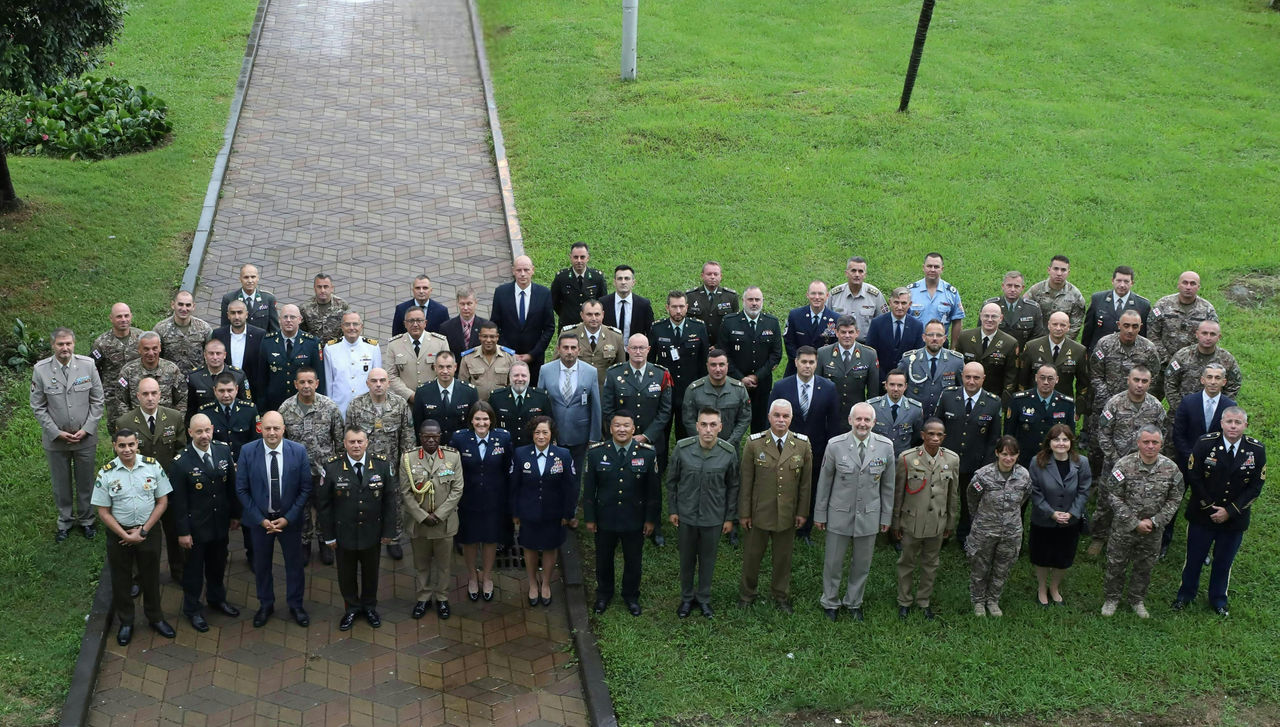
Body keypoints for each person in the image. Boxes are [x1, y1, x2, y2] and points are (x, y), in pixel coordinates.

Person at [1173, 407, 1265, 617]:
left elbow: (1256, 486)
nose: (1233, 426)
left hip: (1234, 520)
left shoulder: (1256, 450)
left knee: (1223, 562)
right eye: (1229, 421)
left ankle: (1218, 600)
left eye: (1238, 422)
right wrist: (1209, 506)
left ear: (1245, 426)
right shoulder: (1205, 443)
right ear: (1222, 423)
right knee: (1194, 559)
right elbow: (1193, 476)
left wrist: (1230, 511)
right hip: (1202, 515)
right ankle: (1185, 596)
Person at [93, 429, 175, 646]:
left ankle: (155, 617)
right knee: (121, 579)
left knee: (151, 576)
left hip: (148, 531)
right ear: (114, 446)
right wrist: (124, 535)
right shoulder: (107, 473)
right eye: (122, 445)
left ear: (138, 444)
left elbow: (162, 502)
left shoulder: (152, 466)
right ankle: (126, 622)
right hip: (119, 534)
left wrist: (143, 531)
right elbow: (103, 511)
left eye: (131, 444)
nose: (127, 449)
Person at [813, 402, 893, 621]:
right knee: (833, 562)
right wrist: (820, 514)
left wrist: (886, 516)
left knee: (862, 564)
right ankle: (830, 601)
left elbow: (888, 486)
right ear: (850, 420)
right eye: (858, 419)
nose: (862, 424)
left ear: (874, 422)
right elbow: (825, 482)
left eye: (867, 420)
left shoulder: (885, 446)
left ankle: (854, 602)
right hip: (839, 513)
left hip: (869, 514)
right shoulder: (835, 445)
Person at [235, 411, 312, 628]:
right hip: (260, 523)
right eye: (267, 428)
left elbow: (305, 489)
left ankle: (296, 605)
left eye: (276, 428)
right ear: (260, 429)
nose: (272, 432)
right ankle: (265, 604)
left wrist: (288, 518)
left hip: (290, 521)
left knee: (294, 565)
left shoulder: (298, 451)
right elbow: (241, 489)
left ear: (284, 428)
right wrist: (260, 520)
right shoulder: (248, 451)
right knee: (262, 565)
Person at [738, 400, 813, 614]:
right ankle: (747, 594)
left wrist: (802, 512)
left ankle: (781, 595)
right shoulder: (754, 444)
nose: (781, 420)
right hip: (759, 512)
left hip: (787, 515)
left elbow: (805, 485)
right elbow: (746, 482)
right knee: (752, 557)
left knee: (782, 559)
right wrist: (744, 513)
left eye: (785, 416)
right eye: (777, 415)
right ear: (769, 417)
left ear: (791, 418)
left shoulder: (801, 444)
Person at [318, 427, 396, 630]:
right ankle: (351, 608)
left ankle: (369, 607)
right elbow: (324, 506)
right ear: (344, 444)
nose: (356, 446)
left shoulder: (381, 464)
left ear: (367, 443)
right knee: (346, 574)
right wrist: (328, 536)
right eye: (351, 442)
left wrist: (389, 532)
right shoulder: (332, 467)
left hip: (372, 532)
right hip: (344, 534)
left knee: (371, 573)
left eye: (360, 442)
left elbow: (390, 500)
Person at [169, 414, 241, 633]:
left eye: (207, 431)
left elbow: (231, 486)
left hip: (219, 524)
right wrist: (183, 532)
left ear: (212, 429)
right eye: (198, 432)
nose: (204, 436)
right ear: (190, 433)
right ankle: (192, 609)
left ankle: (217, 599)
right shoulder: (181, 462)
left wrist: (235, 515)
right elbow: (178, 502)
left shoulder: (222, 450)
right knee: (193, 571)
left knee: (218, 564)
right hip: (196, 528)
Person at [1101, 426, 1182, 618]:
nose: (1150, 446)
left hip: (1153, 531)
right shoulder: (1123, 465)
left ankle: (1137, 599)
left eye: (1155, 442)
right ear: (1138, 443)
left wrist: (1155, 521)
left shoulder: (1171, 469)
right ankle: (1111, 599)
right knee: (1115, 564)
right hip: (1124, 528)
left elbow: (1175, 498)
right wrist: (1134, 522)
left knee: (1144, 567)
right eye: (1146, 442)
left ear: (1161, 445)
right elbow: (1113, 495)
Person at [31, 328, 104, 541]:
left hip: (85, 437)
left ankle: (87, 520)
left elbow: (97, 400)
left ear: (74, 344)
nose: (65, 348)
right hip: (56, 440)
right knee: (61, 483)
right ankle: (64, 521)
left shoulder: (88, 365)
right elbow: (38, 406)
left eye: (68, 344)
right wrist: (56, 432)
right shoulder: (41, 370)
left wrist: (87, 428)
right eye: (60, 344)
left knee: (86, 481)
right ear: (53, 346)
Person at [583, 411, 660, 616]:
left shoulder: (647, 453)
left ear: (634, 429)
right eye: (617, 425)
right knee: (603, 559)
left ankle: (631, 595)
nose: (622, 429)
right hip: (605, 518)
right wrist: (590, 518)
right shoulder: (596, 453)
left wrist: (651, 520)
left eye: (626, 425)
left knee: (633, 560)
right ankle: (604, 594)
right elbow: (589, 490)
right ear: (610, 429)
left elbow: (653, 492)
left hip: (634, 519)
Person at [668, 408, 739, 618]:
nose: (708, 430)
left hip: (713, 517)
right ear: (697, 426)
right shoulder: (682, 448)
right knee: (687, 559)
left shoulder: (728, 453)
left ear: (720, 427)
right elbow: (672, 482)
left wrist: (729, 517)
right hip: (687, 515)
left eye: (713, 425)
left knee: (708, 560)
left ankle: (704, 598)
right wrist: (673, 510)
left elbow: (733, 486)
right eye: (704, 424)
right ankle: (687, 598)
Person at [117, 377, 187, 580]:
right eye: (145, 394)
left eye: (154, 393)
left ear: (160, 394)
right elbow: (123, 457)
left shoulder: (174, 417)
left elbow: (181, 450)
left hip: (169, 487)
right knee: (142, 533)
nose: (150, 398)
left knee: (173, 531)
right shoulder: (126, 422)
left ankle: (179, 571)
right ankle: (142, 576)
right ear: (137, 396)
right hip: (141, 491)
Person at [770, 346, 840, 544]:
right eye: (804, 362)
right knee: (785, 486)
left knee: (809, 489)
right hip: (786, 449)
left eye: (811, 362)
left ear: (816, 364)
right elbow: (772, 420)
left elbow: (833, 422)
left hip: (816, 450)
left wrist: (829, 450)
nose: (807, 366)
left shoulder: (828, 387)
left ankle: (804, 530)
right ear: (796, 363)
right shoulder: (781, 387)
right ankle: (782, 524)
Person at [892, 418, 960, 620]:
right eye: (931, 434)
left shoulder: (951, 460)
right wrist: (896, 522)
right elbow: (898, 494)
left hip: (937, 523)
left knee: (931, 563)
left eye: (940, 435)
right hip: (912, 521)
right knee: (906, 562)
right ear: (923, 435)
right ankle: (904, 600)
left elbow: (952, 495)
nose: (935, 438)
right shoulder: (907, 458)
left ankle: (923, 601)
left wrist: (950, 522)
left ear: (944, 437)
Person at [278, 366, 345, 566]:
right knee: (302, 510)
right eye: (302, 382)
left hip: (324, 470)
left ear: (317, 383)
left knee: (325, 508)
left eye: (310, 382)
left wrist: (339, 468)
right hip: (297, 471)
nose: (306, 386)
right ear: (295, 384)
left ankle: (325, 542)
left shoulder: (329, 407)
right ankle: (304, 543)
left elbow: (340, 440)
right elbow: (282, 441)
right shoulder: (286, 408)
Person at [509, 416, 578, 607]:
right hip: (528, 512)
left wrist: (568, 514)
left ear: (551, 434)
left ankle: (546, 583)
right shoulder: (521, 454)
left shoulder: (563, 455)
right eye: (537, 432)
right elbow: (513, 486)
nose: (541, 436)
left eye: (545, 432)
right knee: (529, 548)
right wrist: (515, 512)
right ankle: (532, 583)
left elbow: (571, 487)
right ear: (532, 434)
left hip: (554, 514)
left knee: (550, 548)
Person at [346, 367, 415, 560]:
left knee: (393, 503)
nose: (378, 385)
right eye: (374, 381)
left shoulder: (400, 405)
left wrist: (406, 466)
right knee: (364, 503)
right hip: (364, 467)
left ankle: (393, 539)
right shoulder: (356, 405)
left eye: (382, 380)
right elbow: (349, 437)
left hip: (391, 466)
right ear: (367, 383)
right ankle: (366, 537)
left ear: (388, 383)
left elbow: (408, 438)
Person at [935, 363, 1003, 547]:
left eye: (976, 378)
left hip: (974, 463)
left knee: (969, 502)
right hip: (947, 461)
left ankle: (964, 535)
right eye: (968, 377)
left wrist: (987, 466)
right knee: (942, 499)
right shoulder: (948, 396)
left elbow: (994, 438)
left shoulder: (993, 402)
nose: (971, 381)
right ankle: (940, 534)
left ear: (983, 378)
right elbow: (936, 427)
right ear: (962, 376)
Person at [450, 402, 512, 603]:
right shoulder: (459, 438)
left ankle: (486, 576)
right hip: (468, 499)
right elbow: (453, 469)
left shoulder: (503, 438)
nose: (481, 423)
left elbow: (508, 468)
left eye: (485, 419)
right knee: (470, 539)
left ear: (491, 420)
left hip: (495, 499)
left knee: (490, 538)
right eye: (477, 418)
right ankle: (471, 576)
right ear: (471, 420)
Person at [402, 420, 465, 620]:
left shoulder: (452, 457)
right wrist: (422, 516)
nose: (431, 440)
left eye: (435, 436)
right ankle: (423, 597)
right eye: (426, 437)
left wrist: (439, 515)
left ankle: (442, 598)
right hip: (419, 524)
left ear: (440, 436)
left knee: (444, 564)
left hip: (444, 522)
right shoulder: (408, 458)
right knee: (421, 563)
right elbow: (405, 492)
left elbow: (457, 489)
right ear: (420, 437)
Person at [965, 436, 1031, 616]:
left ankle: (993, 600)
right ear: (997, 453)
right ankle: (978, 601)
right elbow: (972, 499)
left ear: (1018, 455)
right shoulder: (983, 476)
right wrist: (981, 518)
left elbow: (1024, 498)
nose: (1008, 458)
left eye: (1013, 454)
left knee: (1002, 568)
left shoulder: (1024, 476)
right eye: (1004, 454)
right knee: (980, 567)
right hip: (985, 530)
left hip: (1011, 532)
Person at [1027, 424, 1092, 606]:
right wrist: (1051, 513)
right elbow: (1034, 491)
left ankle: (1054, 588)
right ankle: (1041, 588)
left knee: (1063, 557)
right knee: (1041, 556)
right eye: (1056, 439)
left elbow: (1084, 490)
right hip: (1044, 520)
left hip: (1069, 522)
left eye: (1065, 439)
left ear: (1071, 442)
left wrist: (1072, 513)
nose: (1061, 443)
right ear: (1049, 442)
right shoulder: (1037, 461)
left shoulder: (1082, 463)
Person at [1088, 310, 1160, 472]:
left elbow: (1153, 376)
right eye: (1126, 325)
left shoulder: (1148, 348)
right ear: (1118, 325)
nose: (1130, 330)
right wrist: (1109, 400)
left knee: (1133, 441)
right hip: (1105, 402)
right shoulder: (1105, 344)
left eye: (1135, 326)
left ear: (1140, 327)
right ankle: (1094, 479)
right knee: (1097, 443)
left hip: (1136, 406)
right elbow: (1096, 374)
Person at [719, 286, 783, 432]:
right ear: (743, 301)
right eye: (750, 299)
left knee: (760, 428)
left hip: (762, 385)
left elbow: (776, 354)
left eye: (757, 300)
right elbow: (724, 354)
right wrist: (741, 378)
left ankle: (757, 455)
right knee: (731, 427)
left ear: (762, 301)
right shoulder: (729, 322)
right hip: (734, 384)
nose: (754, 303)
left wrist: (756, 377)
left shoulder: (771, 322)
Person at [538, 333, 603, 475]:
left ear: (579, 350)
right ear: (558, 349)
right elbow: (540, 403)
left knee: (576, 473)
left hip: (580, 434)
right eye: (565, 347)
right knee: (552, 473)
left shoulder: (591, 372)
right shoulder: (545, 370)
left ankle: (573, 497)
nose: (569, 351)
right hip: (553, 434)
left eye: (573, 348)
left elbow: (596, 406)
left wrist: (594, 436)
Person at [1147, 271, 1218, 397]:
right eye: (1185, 283)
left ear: (1198, 287)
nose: (1188, 287)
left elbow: (1211, 336)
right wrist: (1168, 359)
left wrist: (1192, 360)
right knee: (1150, 401)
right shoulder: (1163, 305)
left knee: (1189, 403)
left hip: (1192, 368)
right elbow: (1152, 334)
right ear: (1178, 285)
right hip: (1162, 365)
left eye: (1193, 283)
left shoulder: (1207, 310)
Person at [648, 291, 708, 439]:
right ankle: (661, 463)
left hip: (689, 391)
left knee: (686, 434)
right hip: (664, 391)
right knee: (661, 434)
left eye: (681, 306)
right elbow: (650, 362)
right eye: (674, 307)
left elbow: (704, 361)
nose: (678, 311)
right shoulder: (657, 329)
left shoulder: (698, 328)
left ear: (687, 307)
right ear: (667, 308)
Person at [491, 256, 557, 386]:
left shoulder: (544, 294)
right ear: (513, 271)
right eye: (519, 270)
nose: (522, 274)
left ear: (533, 270)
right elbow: (495, 325)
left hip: (534, 360)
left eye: (526, 270)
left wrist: (532, 354)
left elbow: (549, 328)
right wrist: (509, 353)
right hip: (507, 359)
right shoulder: (501, 293)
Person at [1163, 320, 1242, 417]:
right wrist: (1182, 408)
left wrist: (1220, 406)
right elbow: (1170, 383)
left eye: (1212, 334)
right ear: (1197, 334)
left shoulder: (1227, 359)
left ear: (1219, 337)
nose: (1208, 337)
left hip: (1213, 413)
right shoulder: (1182, 356)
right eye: (1204, 333)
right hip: (1183, 413)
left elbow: (1234, 385)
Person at [257, 304, 325, 413]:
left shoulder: (312, 343)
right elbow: (261, 379)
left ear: (300, 320)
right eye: (285, 317)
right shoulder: (267, 342)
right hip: (275, 404)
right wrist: (262, 409)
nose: (288, 320)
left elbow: (319, 377)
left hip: (303, 403)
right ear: (279, 319)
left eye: (292, 317)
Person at [816, 316, 880, 432]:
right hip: (830, 415)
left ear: (857, 333)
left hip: (858, 418)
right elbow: (817, 388)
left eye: (851, 332)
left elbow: (873, 392)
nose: (847, 336)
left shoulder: (869, 354)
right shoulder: (823, 353)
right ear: (836, 333)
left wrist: (869, 418)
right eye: (843, 332)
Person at [1005, 365, 1076, 468]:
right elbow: (1009, 434)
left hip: (1054, 460)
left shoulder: (1066, 404)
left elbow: (1071, 435)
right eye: (1042, 378)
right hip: (1024, 460)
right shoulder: (1019, 401)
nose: (1046, 382)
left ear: (1057, 380)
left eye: (1050, 378)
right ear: (1035, 378)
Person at [681, 348, 751, 452]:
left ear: (727, 365)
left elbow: (744, 419)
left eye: (721, 365)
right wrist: (704, 442)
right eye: (713, 365)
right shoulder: (694, 390)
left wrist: (730, 443)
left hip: (730, 448)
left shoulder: (739, 389)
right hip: (700, 449)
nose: (718, 369)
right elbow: (689, 420)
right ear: (707, 366)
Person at [111, 332, 187, 425]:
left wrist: (174, 423)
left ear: (160, 348)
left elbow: (182, 399)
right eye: (146, 349)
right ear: (139, 349)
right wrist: (130, 424)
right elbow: (121, 401)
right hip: (137, 425)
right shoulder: (128, 371)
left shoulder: (172, 370)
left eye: (155, 348)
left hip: (166, 425)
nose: (151, 353)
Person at [1016, 311, 1088, 401]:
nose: (1058, 328)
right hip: (1034, 402)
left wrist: (1078, 409)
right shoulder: (1032, 347)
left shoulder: (1078, 350)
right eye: (1055, 324)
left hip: (1063, 404)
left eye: (1063, 325)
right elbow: (1023, 379)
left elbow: (1083, 384)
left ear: (1068, 327)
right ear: (1048, 325)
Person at [954, 303, 1019, 401]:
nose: (989, 320)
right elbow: (957, 366)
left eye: (994, 316)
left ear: (1001, 318)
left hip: (993, 397)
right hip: (966, 394)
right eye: (986, 316)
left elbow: (1011, 376)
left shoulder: (1010, 343)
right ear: (980, 316)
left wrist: (1004, 402)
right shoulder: (965, 337)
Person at [901, 320, 964, 419]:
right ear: (924, 337)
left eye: (939, 335)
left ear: (944, 339)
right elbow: (899, 388)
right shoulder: (909, 360)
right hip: (914, 418)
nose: (935, 338)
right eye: (930, 335)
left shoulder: (956, 361)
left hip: (944, 418)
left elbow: (962, 391)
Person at [386, 306, 449, 404]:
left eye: (419, 320)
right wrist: (409, 395)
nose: (415, 324)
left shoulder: (440, 342)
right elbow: (391, 375)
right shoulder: (394, 344)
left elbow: (446, 371)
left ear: (425, 323)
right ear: (405, 324)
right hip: (405, 402)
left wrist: (430, 393)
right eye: (411, 321)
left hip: (434, 400)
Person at [412, 351, 478, 443]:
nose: (445, 371)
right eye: (441, 367)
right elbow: (418, 425)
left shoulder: (469, 392)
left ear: (455, 367)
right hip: (433, 447)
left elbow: (473, 424)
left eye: (449, 367)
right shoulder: (422, 392)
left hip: (461, 446)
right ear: (435, 367)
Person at [1079, 265, 1150, 351]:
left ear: (1132, 283)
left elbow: (1144, 335)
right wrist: (1085, 351)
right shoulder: (1098, 299)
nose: (1122, 285)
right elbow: (1088, 330)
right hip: (1099, 353)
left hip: (1128, 355)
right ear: (1112, 281)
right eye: (1119, 281)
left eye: (1126, 281)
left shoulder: (1142, 305)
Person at [323, 311, 381, 417]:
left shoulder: (372, 347)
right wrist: (330, 407)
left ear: (361, 326)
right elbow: (329, 381)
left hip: (366, 408)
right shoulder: (330, 349)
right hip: (340, 407)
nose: (351, 327)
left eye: (355, 324)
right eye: (347, 324)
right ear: (341, 327)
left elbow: (378, 380)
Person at [865, 287, 926, 383]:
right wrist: (883, 378)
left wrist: (904, 379)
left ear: (910, 304)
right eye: (896, 302)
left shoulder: (917, 326)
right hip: (880, 379)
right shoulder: (877, 323)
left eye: (904, 303)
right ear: (890, 302)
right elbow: (870, 352)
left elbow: (918, 355)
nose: (900, 307)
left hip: (907, 380)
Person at [560, 299, 624, 389]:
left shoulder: (615, 336)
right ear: (582, 315)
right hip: (575, 391)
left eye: (597, 314)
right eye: (589, 314)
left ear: (603, 315)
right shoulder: (568, 334)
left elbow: (621, 368)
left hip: (604, 391)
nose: (594, 318)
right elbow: (556, 364)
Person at [212, 300, 264, 403]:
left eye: (240, 312)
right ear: (228, 315)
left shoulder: (259, 335)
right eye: (233, 313)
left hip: (252, 389)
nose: (236, 316)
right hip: (225, 390)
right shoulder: (218, 334)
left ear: (246, 314)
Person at [489, 362, 553, 447]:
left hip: (532, 449)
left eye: (524, 375)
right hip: (504, 448)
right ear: (509, 377)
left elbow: (549, 424)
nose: (520, 379)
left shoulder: (541, 397)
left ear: (529, 377)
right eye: (516, 375)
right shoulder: (496, 397)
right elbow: (491, 425)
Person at [92, 303, 143, 407]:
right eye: (119, 316)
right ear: (111, 318)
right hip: (114, 396)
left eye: (126, 315)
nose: (123, 319)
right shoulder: (101, 343)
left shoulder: (141, 338)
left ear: (131, 316)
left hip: (140, 393)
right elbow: (93, 368)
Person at [186, 338, 251, 422]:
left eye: (218, 353)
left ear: (224, 355)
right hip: (205, 425)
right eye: (211, 353)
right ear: (205, 355)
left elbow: (246, 404)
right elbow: (191, 409)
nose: (215, 357)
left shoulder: (238, 375)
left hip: (232, 423)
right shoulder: (194, 377)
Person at [783, 280, 839, 376]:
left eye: (820, 294)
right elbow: (789, 342)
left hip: (823, 371)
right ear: (807, 295)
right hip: (796, 370)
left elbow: (836, 346)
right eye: (813, 293)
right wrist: (802, 363)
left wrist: (818, 364)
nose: (817, 297)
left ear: (827, 296)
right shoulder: (795, 316)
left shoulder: (836, 319)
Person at [907, 252, 965, 343]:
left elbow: (957, 320)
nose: (932, 270)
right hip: (914, 343)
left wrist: (954, 347)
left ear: (942, 269)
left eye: (936, 267)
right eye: (929, 266)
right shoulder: (911, 291)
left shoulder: (951, 293)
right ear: (923, 267)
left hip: (940, 344)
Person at [1024, 255, 1086, 338]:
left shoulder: (1076, 296)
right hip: (1036, 341)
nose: (1059, 273)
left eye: (1063, 270)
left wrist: (1059, 344)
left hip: (1061, 342)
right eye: (1056, 269)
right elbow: (1024, 316)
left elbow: (1074, 327)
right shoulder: (1035, 291)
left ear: (1068, 272)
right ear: (1049, 270)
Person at [826, 255, 889, 336]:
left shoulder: (875, 295)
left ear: (865, 274)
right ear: (846, 273)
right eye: (853, 270)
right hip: (839, 344)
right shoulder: (834, 295)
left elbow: (885, 321)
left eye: (860, 271)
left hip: (866, 345)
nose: (857, 274)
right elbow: (826, 319)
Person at [200, 373, 258, 460]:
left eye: (230, 390)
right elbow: (203, 443)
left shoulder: (249, 410)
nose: (226, 395)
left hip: (245, 461)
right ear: (215, 390)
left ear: (236, 389)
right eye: (221, 391)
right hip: (217, 463)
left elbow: (256, 441)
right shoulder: (205, 412)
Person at [154, 290, 213, 374]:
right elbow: (155, 356)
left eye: (188, 305)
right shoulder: (160, 329)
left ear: (193, 306)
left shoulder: (204, 328)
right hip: (169, 378)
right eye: (180, 304)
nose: (184, 309)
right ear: (173, 305)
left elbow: (211, 354)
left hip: (197, 378)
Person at [550, 242, 607, 327]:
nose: (579, 261)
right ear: (570, 257)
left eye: (582, 257)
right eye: (576, 257)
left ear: (588, 258)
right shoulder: (561, 278)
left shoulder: (597, 277)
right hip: (568, 326)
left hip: (591, 327)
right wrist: (566, 314)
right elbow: (554, 302)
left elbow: (602, 302)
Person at [457, 321, 517, 401]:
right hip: (477, 406)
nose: (488, 340)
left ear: (497, 337)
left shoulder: (509, 357)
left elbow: (514, 384)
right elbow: (462, 385)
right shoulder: (468, 357)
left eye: (492, 337)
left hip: (502, 405)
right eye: (485, 336)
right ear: (479, 337)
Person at [868, 369, 923, 455]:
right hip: (878, 458)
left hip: (903, 460)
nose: (896, 389)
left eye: (900, 385)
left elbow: (916, 438)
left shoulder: (915, 409)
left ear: (905, 386)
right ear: (886, 385)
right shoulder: (872, 407)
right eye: (892, 384)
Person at [685, 260, 739, 347]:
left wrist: (719, 346)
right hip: (696, 346)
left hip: (722, 347)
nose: (712, 277)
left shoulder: (730, 297)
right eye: (709, 274)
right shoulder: (690, 296)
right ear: (702, 276)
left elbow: (734, 325)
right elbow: (686, 325)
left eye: (716, 274)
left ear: (721, 276)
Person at [984, 271, 1045, 348]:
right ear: (1003, 286)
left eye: (1016, 286)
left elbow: (1037, 337)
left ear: (1022, 288)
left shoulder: (1033, 308)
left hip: (1022, 354)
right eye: (1009, 285)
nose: (1012, 289)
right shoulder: (990, 306)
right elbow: (982, 332)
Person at [599, 264, 654, 342]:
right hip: (609, 351)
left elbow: (650, 332)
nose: (623, 282)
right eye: (620, 279)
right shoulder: (603, 303)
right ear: (614, 282)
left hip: (635, 352)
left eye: (627, 278)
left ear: (633, 282)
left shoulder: (643, 305)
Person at [219, 263, 279, 333]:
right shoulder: (229, 299)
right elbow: (225, 328)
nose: (250, 281)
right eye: (246, 277)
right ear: (240, 279)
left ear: (258, 278)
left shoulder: (268, 299)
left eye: (253, 277)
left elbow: (275, 329)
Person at [298, 272, 349, 344]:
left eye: (326, 287)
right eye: (319, 287)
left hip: (336, 348)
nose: (322, 290)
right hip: (314, 349)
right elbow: (300, 332)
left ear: (332, 288)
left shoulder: (342, 305)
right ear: (314, 288)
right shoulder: (305, 308)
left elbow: (348, 328)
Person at [440, 287, 489, 358]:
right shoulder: (446, 328)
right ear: (457, 304)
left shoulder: (486, 326)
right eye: (462, 304)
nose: (465, 308)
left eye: (469, 304)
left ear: (476, 303)